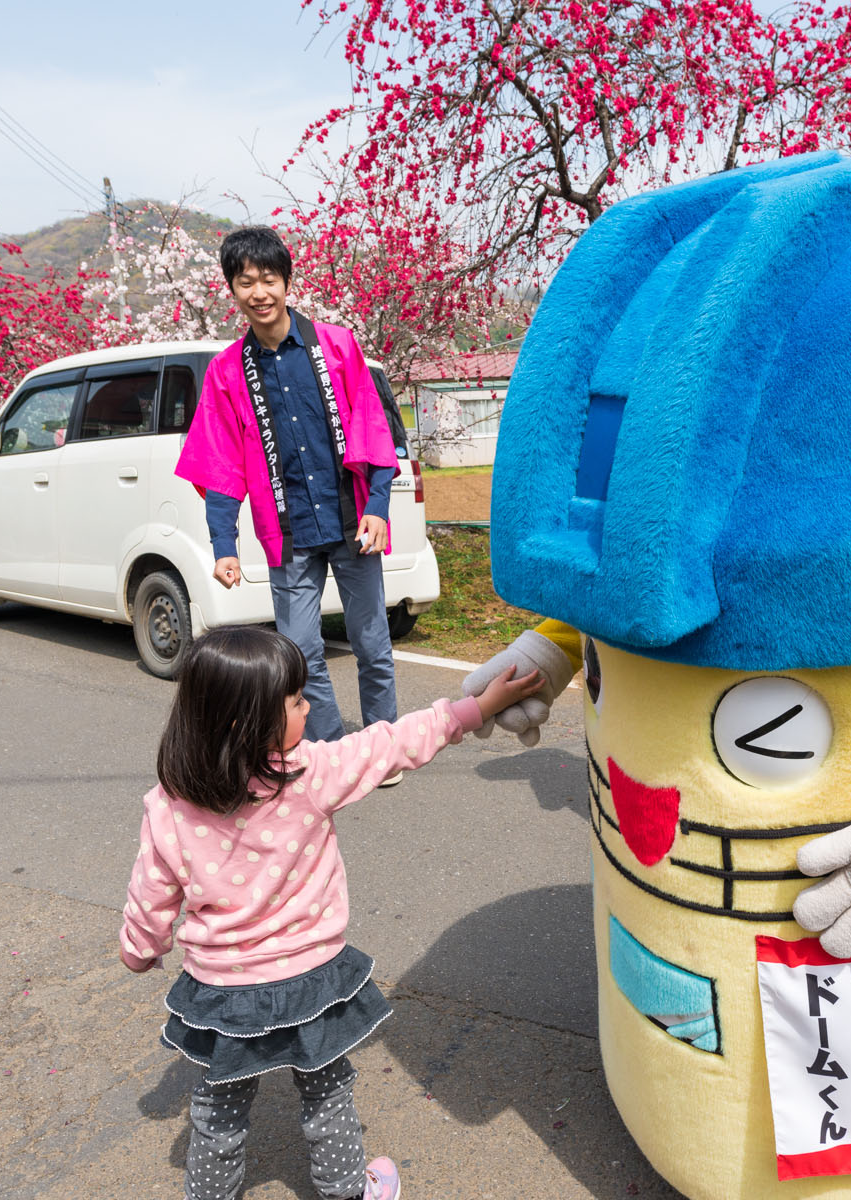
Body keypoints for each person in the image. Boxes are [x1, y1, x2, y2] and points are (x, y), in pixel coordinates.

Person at [118, 624, 541, 1200]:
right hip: (312, 978)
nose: (308, 705)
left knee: (218, 1106)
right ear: (245, 721)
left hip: (224, 988)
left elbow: (151, 893)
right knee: (326, 1092)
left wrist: (140, 950)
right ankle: (346, 1191)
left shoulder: (169, 803)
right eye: (295, 701)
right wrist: (474, 710)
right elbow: (392, 743)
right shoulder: (308, 774)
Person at [176, 226, 404, 781]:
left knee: (372, 643)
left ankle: (381, 750)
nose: (259, 292)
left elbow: (370, 427)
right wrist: (223, 545)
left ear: (286, 281)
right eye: (245, 282)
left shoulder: (336, 345)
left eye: (268, 279)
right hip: (289, 531)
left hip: (352, 522)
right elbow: (222, 461)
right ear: (232, 289)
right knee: (300, 652)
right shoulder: (228, 371)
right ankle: (329, 752)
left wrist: (377, 505)